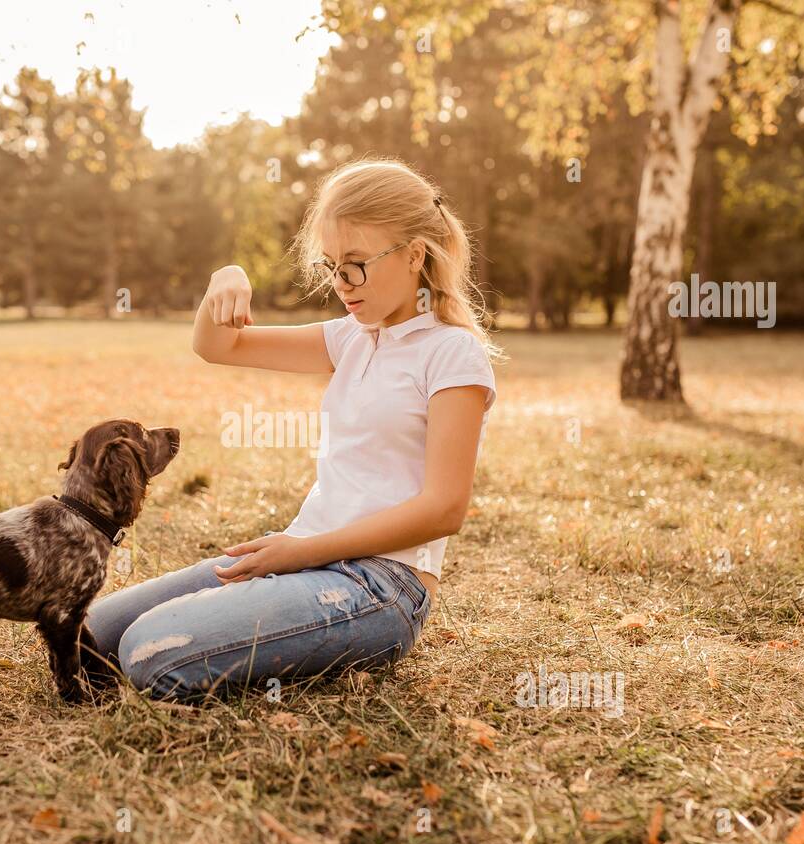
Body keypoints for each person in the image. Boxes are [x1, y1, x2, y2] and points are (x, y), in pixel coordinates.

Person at [84, 158, 500, 702]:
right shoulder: (351, 336)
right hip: (304, 558)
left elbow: (444, 509)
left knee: (149, 653)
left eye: (355, 265)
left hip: (381, 587)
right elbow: (218, 345)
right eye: (331, 266)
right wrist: (223, 281)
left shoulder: (453, 354)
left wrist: (302, 553)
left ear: (414, 254)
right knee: (91, 633)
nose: (341, 285)